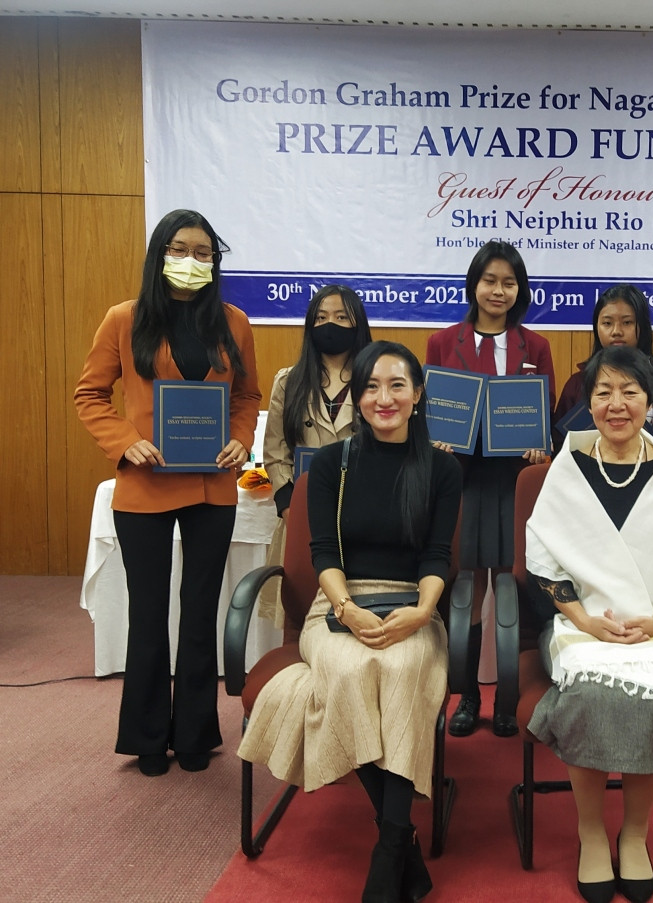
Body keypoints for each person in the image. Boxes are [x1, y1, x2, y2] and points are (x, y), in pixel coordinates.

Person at [237, 341, 462, 903]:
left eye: (397, 385)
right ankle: (399, 837)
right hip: (338, 604)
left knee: (404, 666)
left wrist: (422, 612)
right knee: (348, 668)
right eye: (370, 387)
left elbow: (438, 555)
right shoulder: (332, 463)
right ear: (357, 398)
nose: (383, 398)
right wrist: (346, 608)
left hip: (413, 603)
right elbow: (323, 554)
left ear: (418, 394)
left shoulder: (441, 467)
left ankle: (388, 847)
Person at [74, 208, 261, 776]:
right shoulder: (123, 319)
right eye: (179, 250)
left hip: (212, 489)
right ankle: (148, 736)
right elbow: (89, 394)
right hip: (144, 490)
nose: (191, 261)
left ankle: (196, 734)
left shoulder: (234, 323)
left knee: (200, 612)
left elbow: (247, 397)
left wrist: (238, 439)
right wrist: (124, 441)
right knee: (150, 616)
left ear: (215, 261)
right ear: (159, 256)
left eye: (203, 253)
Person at [526, 345, 653, 903]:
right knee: (592, 694)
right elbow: (543, 556)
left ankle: (634, 833)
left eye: (630, 391)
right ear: (588, 401)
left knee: (650, 695)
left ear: (650, 402)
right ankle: (589, 834)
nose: (616, 404)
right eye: (603, 392)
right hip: (581, 625)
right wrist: (582, 618)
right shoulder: (568, 466)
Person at [425, 240, 555, 738]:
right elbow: (431, 407)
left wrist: (539, 445)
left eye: (508, 282)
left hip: (512, 482)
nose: (498, 291)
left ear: (519, 290)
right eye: (489, 281)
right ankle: (467, 699)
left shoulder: (534, 347)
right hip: (460, 479)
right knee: (466, 586)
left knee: (509, 586)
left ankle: (506, 697)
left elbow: (542, 421)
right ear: (474, 285)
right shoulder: (442, 342)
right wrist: (435, 434)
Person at [258, 284, 372, 625]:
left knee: (354, 612)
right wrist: (289, 505)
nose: (330, 325)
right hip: (302, 516)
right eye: (320, 318)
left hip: (363, 515)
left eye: (340, 317)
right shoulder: (288, 381)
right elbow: (275, 451)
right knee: (298, 613)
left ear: (358, 324)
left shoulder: (375, 379)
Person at [553, 283, 653, 463]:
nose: (616, 331)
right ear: (596, 327)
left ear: (642, 326)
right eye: (607, 323)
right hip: (589, 482)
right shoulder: (578, 383)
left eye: (627, 322)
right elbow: (560, 443)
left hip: (652, 483)